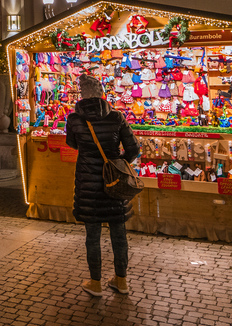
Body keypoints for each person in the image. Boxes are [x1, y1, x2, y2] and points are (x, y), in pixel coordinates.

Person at [65, 75, 140, 298]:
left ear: (82, 93)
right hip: (115, 183)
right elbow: (134, 149)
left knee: (92, 235)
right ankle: (121, 280)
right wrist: (117, 163)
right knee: (119, 232)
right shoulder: (117, 117)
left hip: (88, 183)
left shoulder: (74, 119)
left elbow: (72, 144)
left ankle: (95, 283)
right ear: (101, 92)